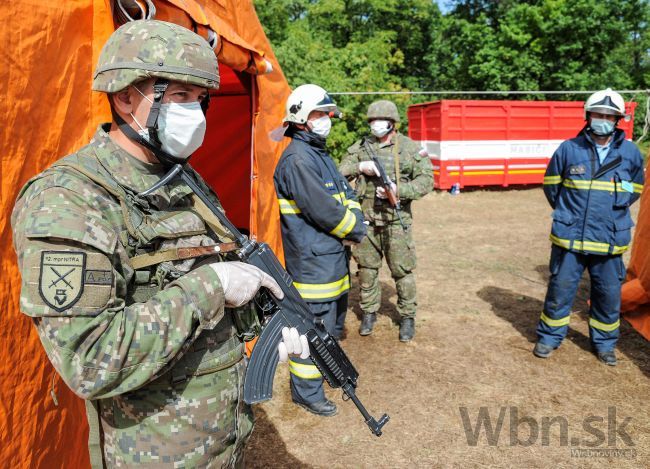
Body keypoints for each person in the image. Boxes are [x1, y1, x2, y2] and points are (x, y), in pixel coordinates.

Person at [11, 20, 306, 467]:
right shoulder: (70, 199)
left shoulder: (184, 180)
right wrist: (212, 285)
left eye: (200, 99)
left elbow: (202, 301)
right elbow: (91, 358)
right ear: (126, 96)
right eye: (179, 97)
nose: (196, 114)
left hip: (223, 441)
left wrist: (259, 332)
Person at [274, 84, 367, 417]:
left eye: (327, 114)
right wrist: (357, 228)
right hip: (313, 267)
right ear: (301, 119)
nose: (326, 119)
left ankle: (330, 376)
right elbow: (325, 211)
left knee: (331, 330)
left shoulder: (318, 154)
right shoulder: (298, 160)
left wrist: (355, 217)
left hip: (332, 263)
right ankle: (307, 394)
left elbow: (347, 195)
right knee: (313, 334)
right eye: (319, 114)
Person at [534, 88, 644, 366]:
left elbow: (635, 189)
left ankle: (605, 344)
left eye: (609, 115)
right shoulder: (569, 149)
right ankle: (549, 337)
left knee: (608, 296)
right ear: (588, 115)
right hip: (570, 237)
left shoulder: (631, 153)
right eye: (598, 114)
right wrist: (570, 213)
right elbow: (552, 187)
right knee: (559, 290)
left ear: (618, 119)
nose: (603, 119)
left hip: (609, 239)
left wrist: (610, 209)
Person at [339, 100, 433, 342]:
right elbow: (340, 170)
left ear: (392, 123)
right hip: (368, 221)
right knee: (367, 270)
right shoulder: (362, 146)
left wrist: (398, 190)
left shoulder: (409, 149)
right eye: (371, 121)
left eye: (379, 121)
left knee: (402, 272)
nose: (375, 125)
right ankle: (369, 313)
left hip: (395, 221)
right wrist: (360, 166)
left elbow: (427, 181)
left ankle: (408, 317)